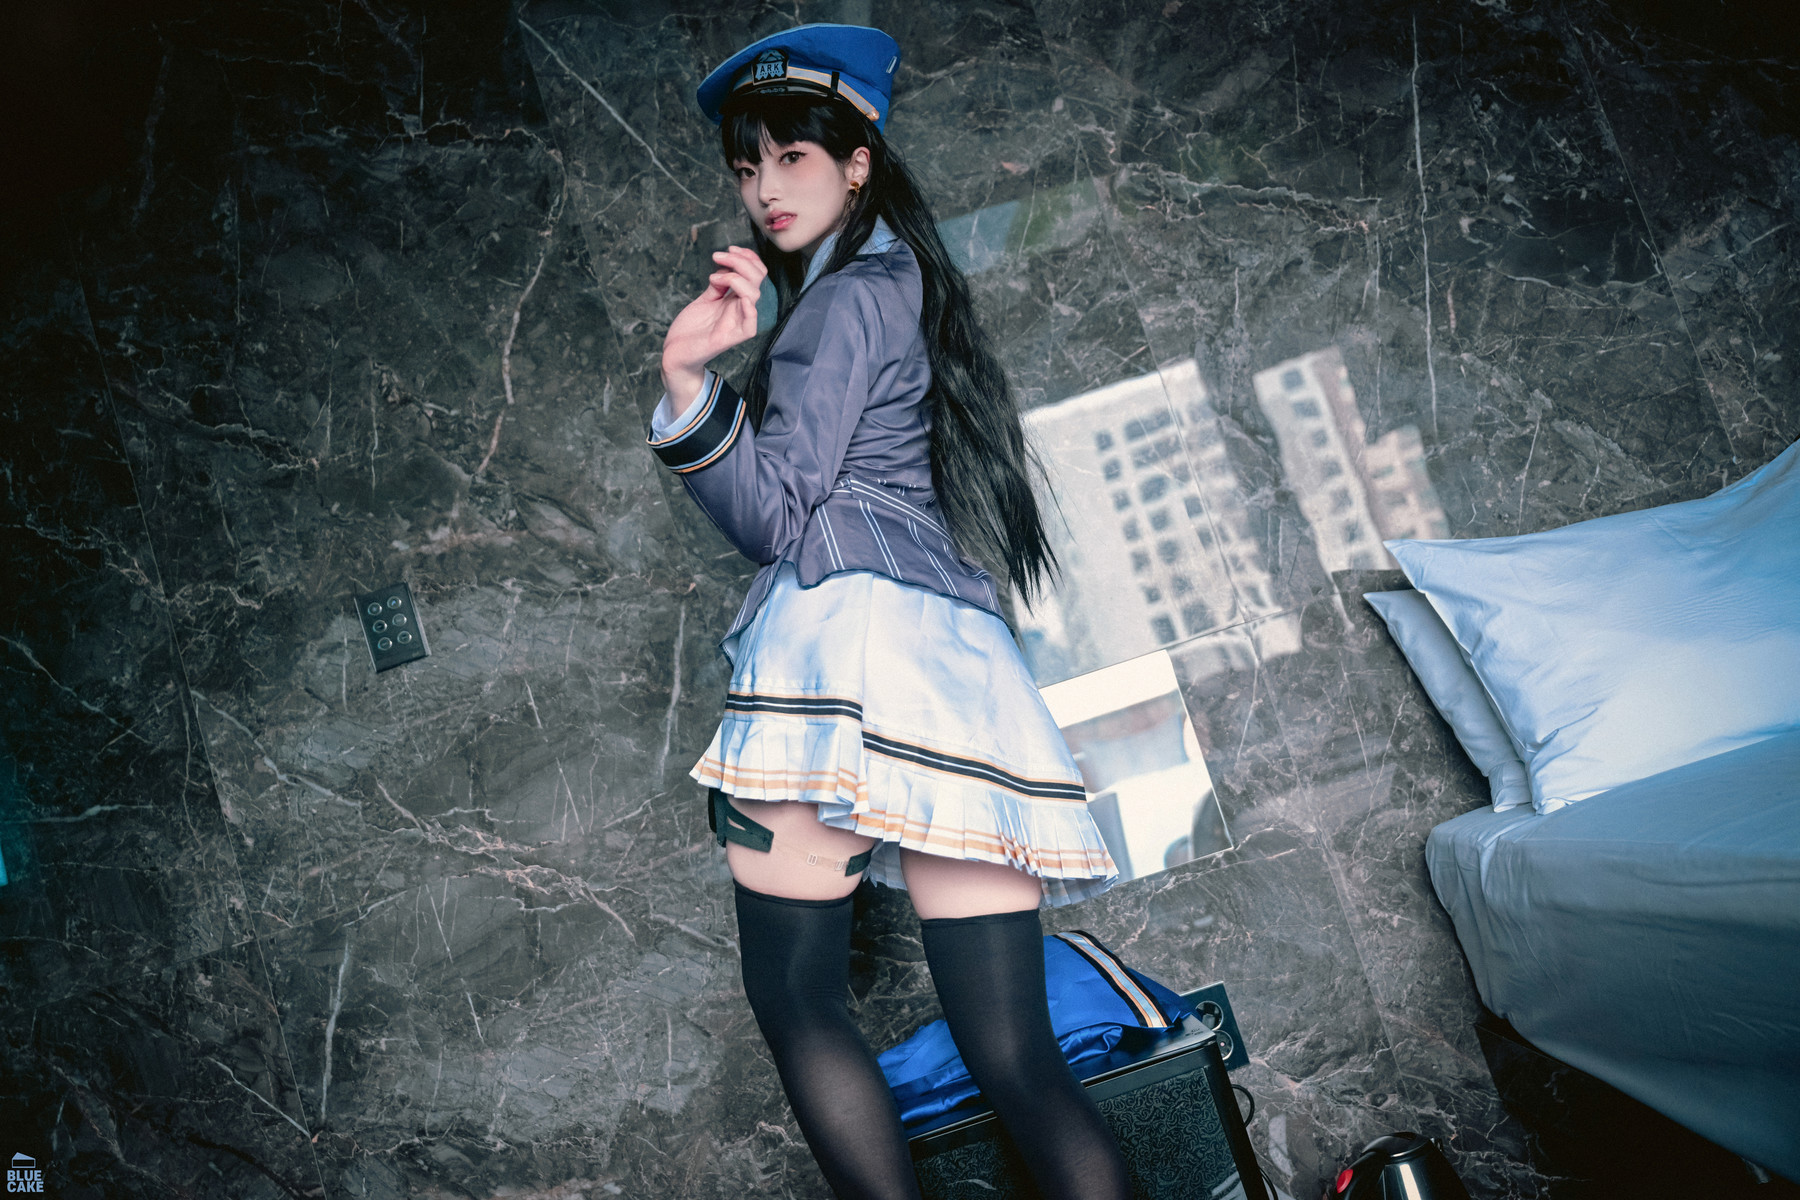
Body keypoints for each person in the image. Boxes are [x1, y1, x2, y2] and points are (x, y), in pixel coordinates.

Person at [644, 24, 1128, 1200]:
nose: (764, 188)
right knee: (1019, 1056)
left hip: (843, 656)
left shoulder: (844, 301)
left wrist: (686, 385)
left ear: (857, 162)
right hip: (957, 671)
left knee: (799, 1000)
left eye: (792, 157)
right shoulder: (902, 281)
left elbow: (778, 514)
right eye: (747, 165)